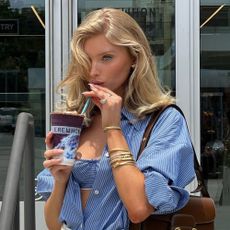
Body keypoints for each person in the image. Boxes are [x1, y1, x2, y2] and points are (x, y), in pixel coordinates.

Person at [36, 8, 195, 230]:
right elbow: (54, 224)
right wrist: (60, 179)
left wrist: (112, 128)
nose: (93, 71)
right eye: (87, 59)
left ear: (134, 58)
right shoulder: (78, 121)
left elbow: (139, 209)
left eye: (106, 58)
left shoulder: (164, 120)